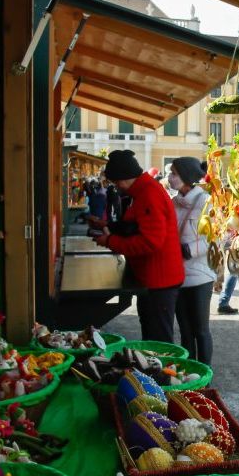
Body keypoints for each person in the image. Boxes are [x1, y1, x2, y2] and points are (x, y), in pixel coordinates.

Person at [90, 150, 183, 339]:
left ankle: (163, 369)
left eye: (116, 182)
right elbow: (135, 226)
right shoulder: (143, 191)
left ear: (124, 178)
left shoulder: (149, 194)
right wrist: (108, 226)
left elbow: (150, 241)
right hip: (154, 278)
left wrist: (110, 240)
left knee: (158, 340)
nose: (116, 187)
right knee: (152, 332)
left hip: (160, 280)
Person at [168, 157, 214, 364]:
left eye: (174, 174)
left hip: (200, 276)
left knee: (201, 330)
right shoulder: (172, 202)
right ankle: (190, 374)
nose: (170, 178)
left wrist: (188, 250)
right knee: (185, 331)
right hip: (177, 275)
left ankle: (205, 375)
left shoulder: (207, 202)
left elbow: (217, 237)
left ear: (186, 177)